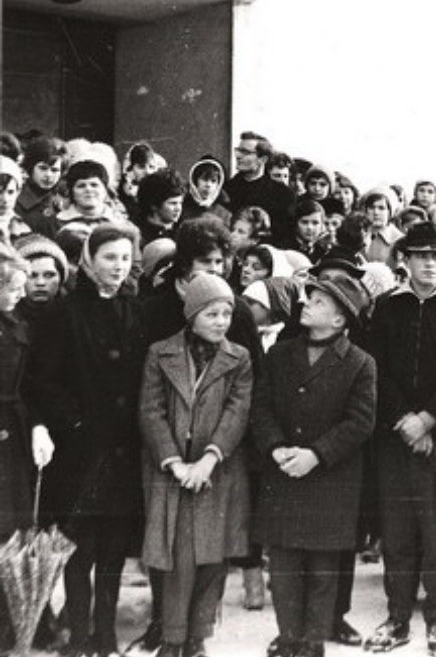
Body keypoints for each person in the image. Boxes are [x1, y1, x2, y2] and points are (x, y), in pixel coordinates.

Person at [31, 222, 147, 657]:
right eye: (109, 257)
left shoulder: (134, 310)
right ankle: (79, 636)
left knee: (114, 549)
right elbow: (44, 381)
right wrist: (75, 424)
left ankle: (106, 635)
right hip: (80, 452)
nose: (118, 266)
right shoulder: (64, 313)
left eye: (124, 258)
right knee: (80, 548)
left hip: (123, 449)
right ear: (89, 260)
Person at [364, 222, 436, 656]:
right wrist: (404, 421)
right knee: (397, 533)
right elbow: (376, 370)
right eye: (421, 255)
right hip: (395, 438)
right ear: (404, 260)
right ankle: (397, 617)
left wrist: (427, 421)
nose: (430, 263)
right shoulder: (387, 309)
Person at [252, 275, 376, 657]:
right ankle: (289, 636)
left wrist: (316, 455)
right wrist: (275, 448)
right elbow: (261, 407)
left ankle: (313, 641)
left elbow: (360, 422)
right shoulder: (279, 354)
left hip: (330, 481)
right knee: (285, 566)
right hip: (283, 474)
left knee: (324, 569)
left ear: (339, 320)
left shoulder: (360, 363)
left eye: (319, 302)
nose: (306, 304)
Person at [138, 273, 253, 657]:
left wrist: (208, 459)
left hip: (217, 472)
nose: (221, 322)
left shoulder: (239, 358)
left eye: (226, 314)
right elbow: (151, 411)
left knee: (213, 557)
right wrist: (175, 463)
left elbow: (237, 412)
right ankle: (173, 639)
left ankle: (198, 637)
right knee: (177, 558)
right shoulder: (161, 354)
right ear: (192, 316)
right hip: (171, 473)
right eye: (211, 314)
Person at [0, 244, 55, 652]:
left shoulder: (18, 323)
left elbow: (30, 384)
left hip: (14, 431)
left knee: (15, 526)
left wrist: (37, 426)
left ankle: (17, 621)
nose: (21, 293)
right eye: (13, 286)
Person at [224, 132, 296, 242]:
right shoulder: (226, 189)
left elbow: (285, 235)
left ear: (262, 160)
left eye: (245, 152)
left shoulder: (283, 194)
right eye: (238, 150)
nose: (238, 156)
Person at [16, 135, 66, 231]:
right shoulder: (15, 199)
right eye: (43, 168)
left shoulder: (64, 200)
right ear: (31, 167)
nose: (48, 175)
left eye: (54, 170)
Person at [15, 234, 68, 323]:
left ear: (61, 278)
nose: (40, 283)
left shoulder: (77, 316)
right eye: (32, 275)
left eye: (49, 275)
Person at [135, 169, 186, 247]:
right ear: (153, 206)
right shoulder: (138, 235)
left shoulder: (185, 230)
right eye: (173, 203)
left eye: (180, 203)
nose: (178, 209)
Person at [180, 155, 231, 225]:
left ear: (218, 185)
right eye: (204, 179)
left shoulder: (225, 215)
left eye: (213, 181)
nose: (208, 185)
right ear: (195, 181)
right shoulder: (181, 209)